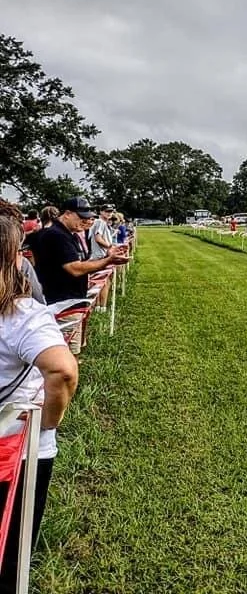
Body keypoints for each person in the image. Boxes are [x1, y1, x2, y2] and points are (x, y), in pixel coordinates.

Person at [0, 215, 79, 592]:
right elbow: (63, 372)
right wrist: (49, 422)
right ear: (15, 258)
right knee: (11, 553)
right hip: (17, 451)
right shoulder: (22, 316)